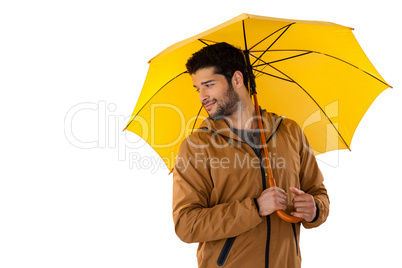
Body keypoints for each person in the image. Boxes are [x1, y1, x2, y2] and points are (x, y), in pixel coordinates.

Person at [172, 42, 329, 268]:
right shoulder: (198, 145)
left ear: (237, 80)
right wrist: (255, 208)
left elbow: (319, 192)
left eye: (208, 85)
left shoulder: (290, 131)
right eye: (198, 88)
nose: (202, 96)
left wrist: (315, 209)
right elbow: (187, 224)